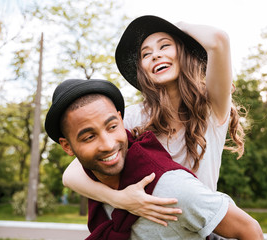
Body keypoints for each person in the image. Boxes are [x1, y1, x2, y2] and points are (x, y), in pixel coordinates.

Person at [62, 15, 246, 226]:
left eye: (165, 46)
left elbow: (218, 39)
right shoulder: (134, 116)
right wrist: (122, 200)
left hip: (200, 228)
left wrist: (178, 28)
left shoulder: (212, 107)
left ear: (182, 52)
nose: (156, 55)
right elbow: (70, 175)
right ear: (143, 70)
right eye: (146, 54)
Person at [45, 78, 263, 240]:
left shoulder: (173, 190)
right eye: (89, 137)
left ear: (122, 121)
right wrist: (118, 199)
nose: (108, 144)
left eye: (112, 127)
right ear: (67, 146)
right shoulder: (94, 184)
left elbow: (249, 230)